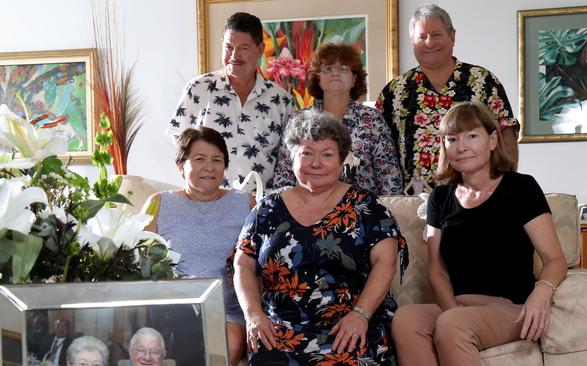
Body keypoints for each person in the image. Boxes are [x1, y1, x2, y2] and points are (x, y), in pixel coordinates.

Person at [391, 101, 567, 365]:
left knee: (453, 324)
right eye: (452, 139)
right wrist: (450, 309)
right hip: (458, 305)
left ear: (493, 140)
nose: (461, 147)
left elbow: (555, 259)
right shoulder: (440, 196)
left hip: (510, 307)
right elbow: (436, 269)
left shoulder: (521, 188)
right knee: (406, 320)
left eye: (472, 136)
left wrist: (541, 294)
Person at [233, 110, 408, 365]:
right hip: (281, 323)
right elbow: (243, 264)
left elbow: (386, 262)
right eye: (307, 153)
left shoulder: (366, 206)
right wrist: (254, 316)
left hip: (352, 320)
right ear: (293, 157)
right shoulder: (267, 208)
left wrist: (361, 314)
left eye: (327, 154)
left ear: (341, 160)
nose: (316, 163)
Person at [375, 3, 519, 188]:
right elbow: (380, 151)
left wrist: (506, 185)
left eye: (436, 35)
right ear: (412, 41)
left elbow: (506, 132)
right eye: (422, 37)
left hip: (476, 194)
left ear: (452, 36)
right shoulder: (394, 91)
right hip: (412, 201)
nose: (429, 43)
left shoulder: (483, 81)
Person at [143, 127, 253, 365]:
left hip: (228, 307)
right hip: (175, 307)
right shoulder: (159, 203)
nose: (209, 167)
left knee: (229, 345)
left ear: (225, 166)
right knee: (181, 341)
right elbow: (141, 262)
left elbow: (258, 261)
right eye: (199, 159)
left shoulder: (245, 203)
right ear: (181, 165)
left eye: (217, 160)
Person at [166, 12, 294, 192]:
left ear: (260, 50)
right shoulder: (198, 89)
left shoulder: (282, 100)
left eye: (243, 48)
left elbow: (290, 157)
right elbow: (178, 136)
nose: (234, 56)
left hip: (261, 206)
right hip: (207, 201)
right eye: (228, 47)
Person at [272, 43, 403, 195]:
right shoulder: (299, 120)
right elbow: (283, 176)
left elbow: (390, 177)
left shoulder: (372, 120)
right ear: (317, 78)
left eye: (343, 69)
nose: (335, 73)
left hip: (362, 212)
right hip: (306, 213)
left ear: (354, 79)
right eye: (328, 69)